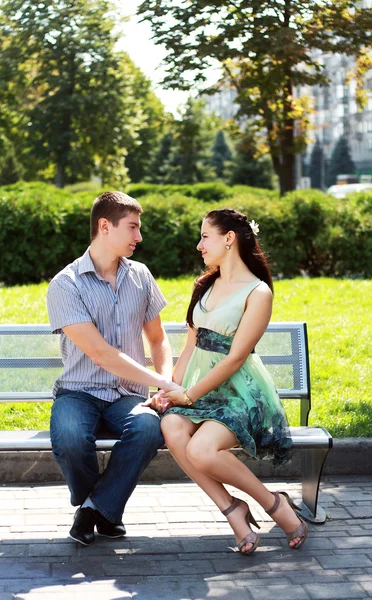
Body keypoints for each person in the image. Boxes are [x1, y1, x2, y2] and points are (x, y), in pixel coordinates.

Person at [147, 208, 308, 555]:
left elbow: (235, 358)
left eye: (205, 236)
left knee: (200, 450)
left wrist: (187, 395)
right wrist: (170, 389)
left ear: (229, 238)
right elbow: (191, 345)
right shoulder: (204, 285)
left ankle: (273, 503)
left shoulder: (258, 293)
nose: (199, 245)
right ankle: (233, 510)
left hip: (240, 396)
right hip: (199, 393)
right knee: (172, 429)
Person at [46, 191, 180, 546]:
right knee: (71, 440)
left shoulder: (140, 276)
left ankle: (91, 511)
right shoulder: (65, 284)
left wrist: (163, 385)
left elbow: (158, 339)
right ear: (105, 227)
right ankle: (104, 510)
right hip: (79, 391)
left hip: (127, 394)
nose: (139, 237)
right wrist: (163, 381)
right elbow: (101, 354)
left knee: (149, 428)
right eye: (133, 227)